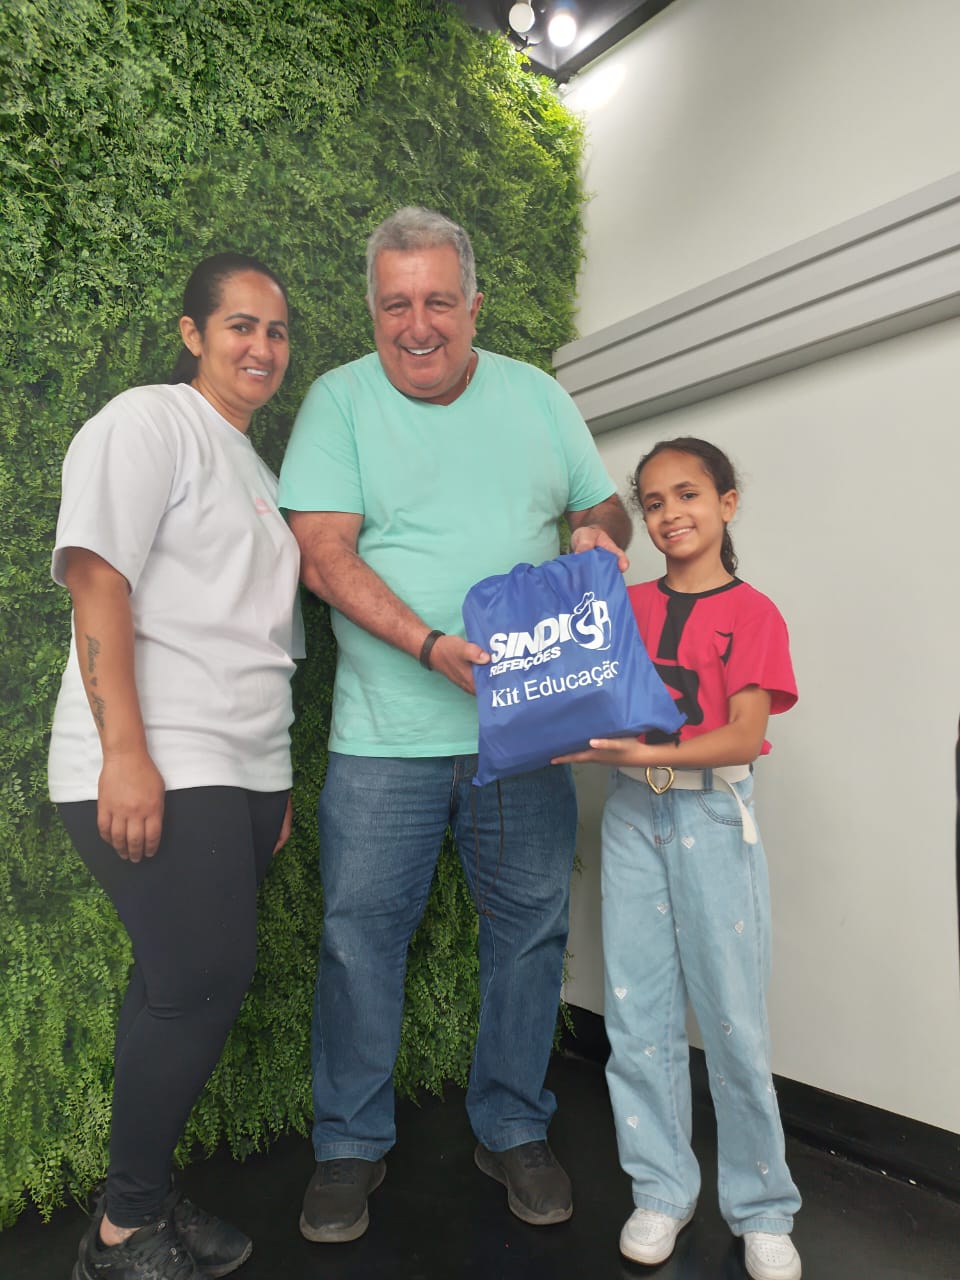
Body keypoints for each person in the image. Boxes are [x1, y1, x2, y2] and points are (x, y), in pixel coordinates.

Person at [278, 205, 632, 1242]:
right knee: (358, 941)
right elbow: (323, 555)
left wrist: (596, 533)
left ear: (475, 304)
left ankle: (513, 1124)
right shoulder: (339, 401)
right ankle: (349, 1143)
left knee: (530, 932)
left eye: (439, 300)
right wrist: (431, 645)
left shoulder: (538, 397)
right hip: (382, 736)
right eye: (397, 303)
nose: (418, 324)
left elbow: (603, 506)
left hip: (523, 733)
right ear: (372, 308)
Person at [49, 252, 302, 1280]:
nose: (262, 347)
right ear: (194, 333)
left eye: (276, 331)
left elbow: (258, 636)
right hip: (159, 751)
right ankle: (122, 1233)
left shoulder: (260, 473)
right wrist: (124, 753)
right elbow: (97, 579)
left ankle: (139, 1197)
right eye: (240, 325)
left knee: (173, 981)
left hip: (237, 765)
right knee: (202, 981)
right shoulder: (149, 422)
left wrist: (272, 782)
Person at [554, 437, 802, 1280]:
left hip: (713, 816)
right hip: (634, 817)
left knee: (733, 1017)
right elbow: (572, 680)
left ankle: (763, 1208)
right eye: (653, 502)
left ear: (727, 502)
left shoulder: (754, 612)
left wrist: (641, 755)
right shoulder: (622, 604)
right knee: (636, 1015)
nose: (669, 515)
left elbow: (744, 735)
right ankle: (661, 1189)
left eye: (688, 494)